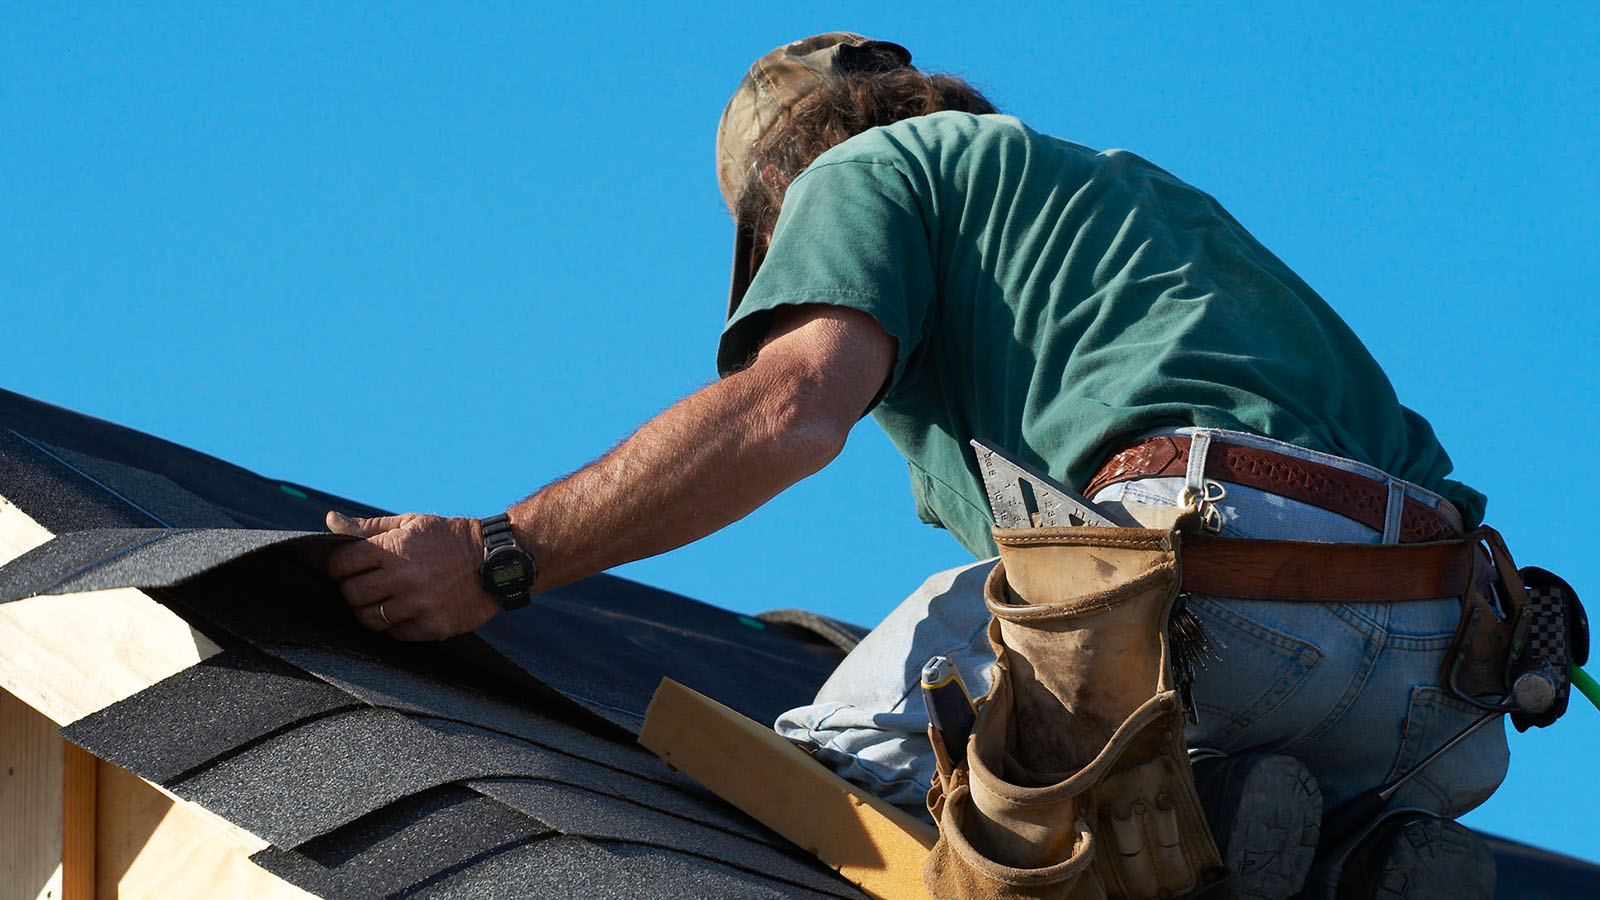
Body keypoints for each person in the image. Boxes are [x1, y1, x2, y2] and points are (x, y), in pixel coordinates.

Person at [324, 33, 1506, 899]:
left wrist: (498, 558)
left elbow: (789, 408)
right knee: (1216, 838)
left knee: (851, 759)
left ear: (780, 208)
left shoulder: (862, 173)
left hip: (1216, 585)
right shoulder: (1131, 207)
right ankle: (1324, 848)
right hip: (1444, 687)